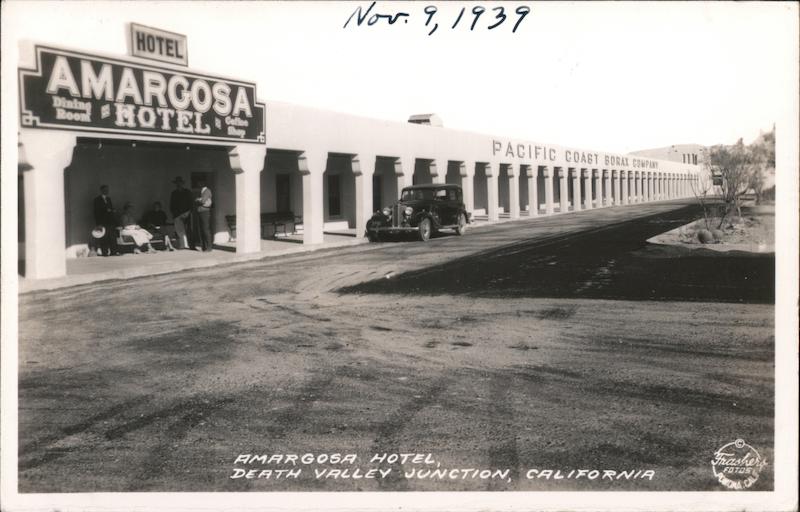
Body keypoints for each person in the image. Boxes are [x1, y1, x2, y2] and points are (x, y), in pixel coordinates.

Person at [92, 184, 118, 256]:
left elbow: (111, 208)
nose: (107, 191)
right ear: (101, 190)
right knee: (104, 237)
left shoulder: (109, 199)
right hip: (102, 221)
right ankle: (105, 252)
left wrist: (112, 211)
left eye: (107, 190)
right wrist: (98, 223)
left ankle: (114, 252)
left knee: (112, 237)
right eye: (105, 190)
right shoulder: (97, 200)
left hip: (110, 221)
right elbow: (96, 212)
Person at [169, 176, 194, 249]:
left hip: (186, 214)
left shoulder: (187, 192)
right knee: (179, 231)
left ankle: (191, 245)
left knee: (188, 230)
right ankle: (183, 245)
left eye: (180, 183)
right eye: (177, 183)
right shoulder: (174, 193)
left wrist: (188, 212)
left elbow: (191, 203)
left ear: (182, 184)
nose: (178, 184)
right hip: (177, 215)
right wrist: (174, 214)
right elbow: (171, 205)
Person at [195, 179, 213, 252]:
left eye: (200, 182)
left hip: (205, 211)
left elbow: (203, 201)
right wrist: (199, 199)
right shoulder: (201, 191)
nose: (199, 184)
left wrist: (198, 199)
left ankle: (209, 247)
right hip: (200, 211)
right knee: (201, 229)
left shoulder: (207, 190)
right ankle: (204, 246)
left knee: (205, 229)